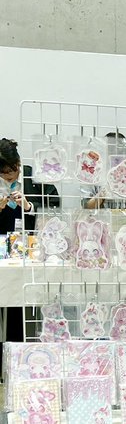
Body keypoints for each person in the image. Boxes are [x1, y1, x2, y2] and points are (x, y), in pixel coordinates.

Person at [0, 138, 60, 372]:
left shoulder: (38, 178)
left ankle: (27, 359)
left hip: (33, 254)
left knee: (24, 305)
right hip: (3, 255)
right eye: (3, 175)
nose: (8, 178)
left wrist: (29, 207)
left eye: (11, 172)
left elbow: (55, 210)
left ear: (18, 163)